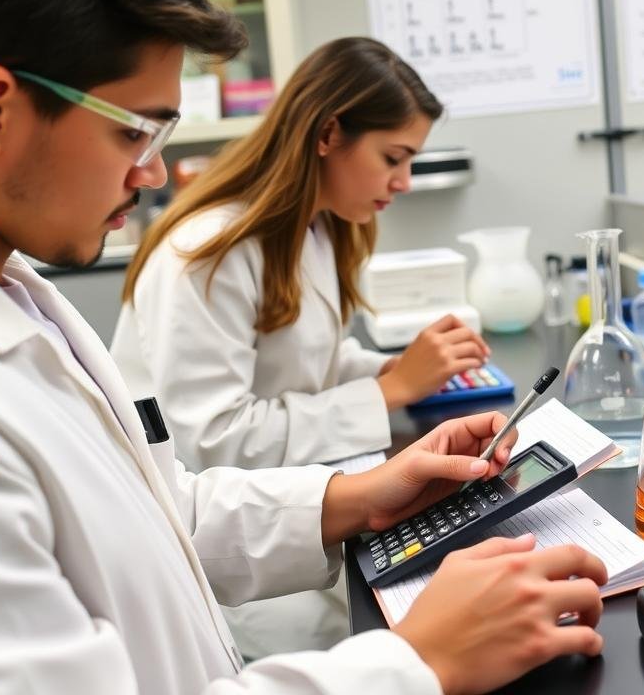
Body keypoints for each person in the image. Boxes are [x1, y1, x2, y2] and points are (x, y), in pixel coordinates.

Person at [0, 0, 608, 694]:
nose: (154, 173)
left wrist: (362, 496)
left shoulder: (20, 299)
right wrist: (414, 665)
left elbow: (161, 503)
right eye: (133, 131)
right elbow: (213, 438)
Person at [110, 36, 491, 655]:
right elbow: (213, 438)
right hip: (246, 563)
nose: (403, 182)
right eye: (393, 158)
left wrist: (398, 369)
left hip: (303, 515)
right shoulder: (209, 251)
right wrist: (389, 390)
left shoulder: (313, 228)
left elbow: (303, 364)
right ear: (329, 134)